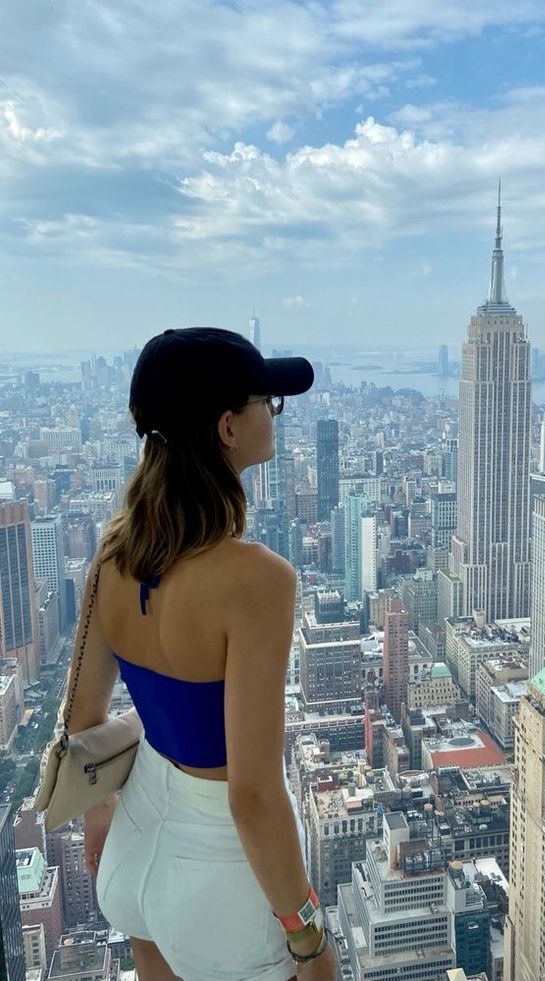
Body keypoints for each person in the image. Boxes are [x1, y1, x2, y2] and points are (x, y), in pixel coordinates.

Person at [64, 328, 337, 980]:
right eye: (265, 401)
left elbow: (80, 726)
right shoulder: (259, 581)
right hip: (220, 875)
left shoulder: (112, 555)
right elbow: (251, 793)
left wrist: (101, 821)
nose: (273, 411)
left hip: (132, 848)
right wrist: (307, 935)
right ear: (227, 428)